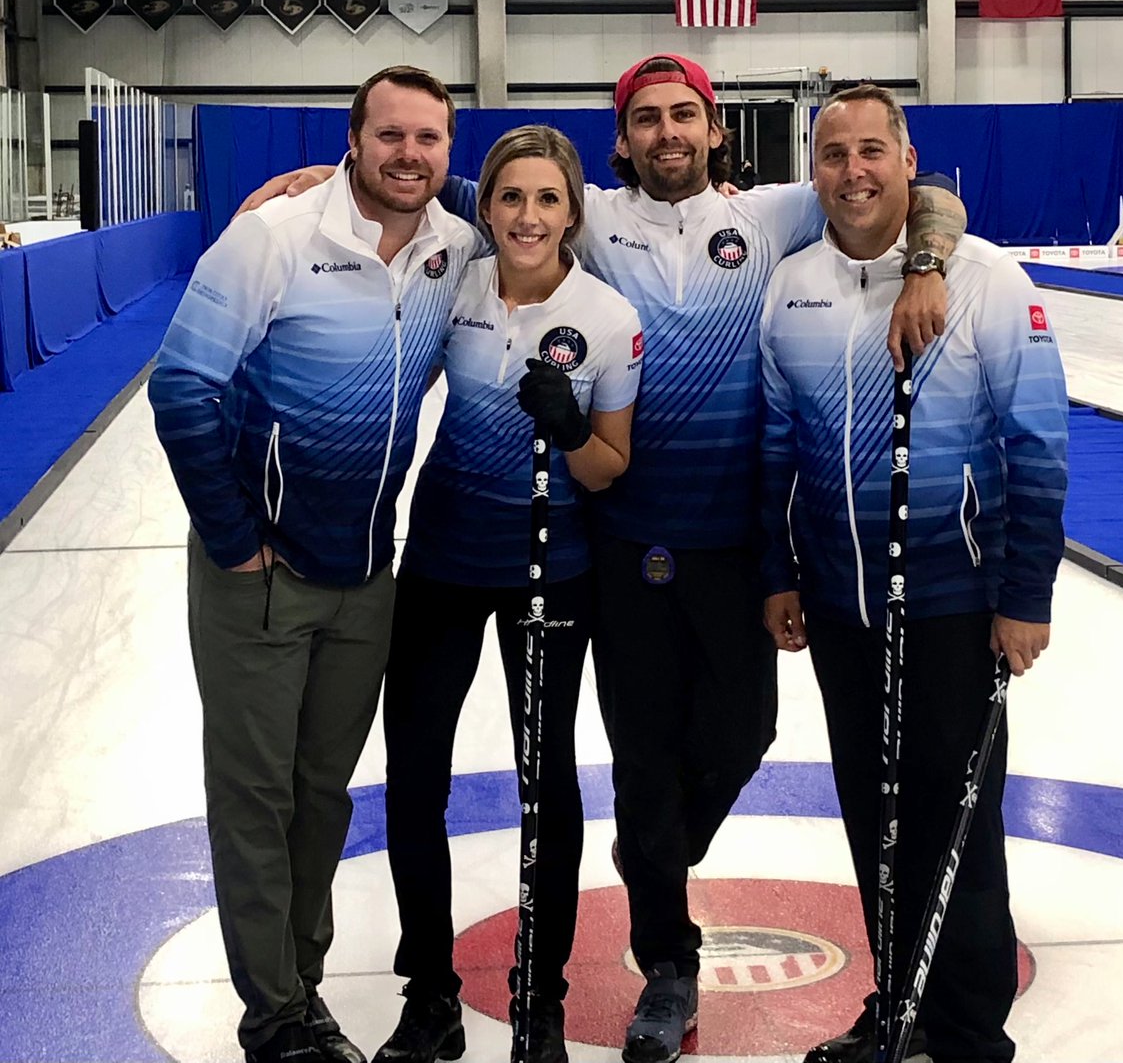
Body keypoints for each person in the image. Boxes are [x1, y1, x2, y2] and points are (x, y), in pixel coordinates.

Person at [240, 53, 966, 1063]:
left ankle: (644, 862)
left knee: (739, 734)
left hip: (721, 540)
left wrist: (926, 261)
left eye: (685, 116)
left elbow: (923, 187)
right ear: (618, 140)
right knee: (626, 763)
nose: (667, 132)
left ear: (714, 129)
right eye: (645, 119)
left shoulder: (775, 214)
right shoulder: (572, 213)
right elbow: (409, 176)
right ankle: (653, 965)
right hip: (613, 545)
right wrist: (311, 186)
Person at [149, 65, 487, 1063]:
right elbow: (182, 388)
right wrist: (231, 539)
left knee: (322, 793)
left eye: (429, 139)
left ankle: (299, 984)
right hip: (258, 570)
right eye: (390, 136)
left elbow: (544, 217)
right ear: (352, 138)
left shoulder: (454, 250)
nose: (409, 156)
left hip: (363, 569)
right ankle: (275, 1013)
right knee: (255, 792)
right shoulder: (274, 238)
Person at [759, 85, 1068, 1063]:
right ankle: (894, 1008)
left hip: (951, 599)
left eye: (869, 152)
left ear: (905, 161)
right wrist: (780, 571)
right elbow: (776, 444)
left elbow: (1036, 447)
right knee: (875, 819)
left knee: (955, 828)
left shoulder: (983, 279)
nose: (852, 172)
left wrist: (1022, 596)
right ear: (813, 171)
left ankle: (967, 1035)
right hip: (840, 607)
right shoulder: (792, 282)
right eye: (832, 155)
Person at [372, 125, 641, 1063]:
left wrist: (569, 429)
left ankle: (543, 999)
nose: (528, 216)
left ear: (573, 212)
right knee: (414, 778)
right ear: (484, 208)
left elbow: (608, 468)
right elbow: (385, 196)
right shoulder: (454, 279)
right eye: (510, 198)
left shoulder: (604, 316)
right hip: (443, 562)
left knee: (546, 783)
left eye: (548, 200)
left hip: (549, 572)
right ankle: (429, 995)